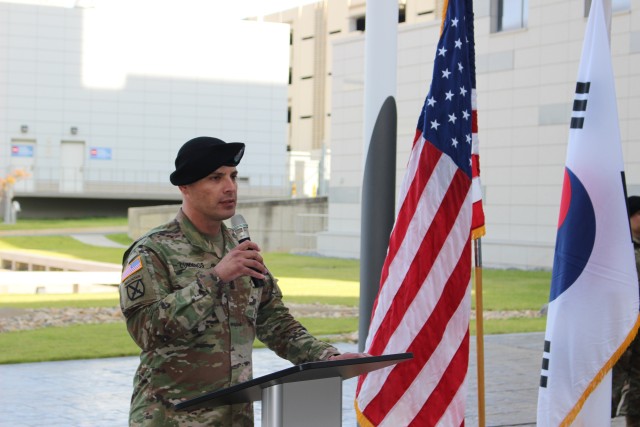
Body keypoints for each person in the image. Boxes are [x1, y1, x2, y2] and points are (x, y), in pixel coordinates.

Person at [119, 136, 366, 426]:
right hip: (171, 417)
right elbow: (145, 331)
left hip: (235, 416)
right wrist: (216, 278)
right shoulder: (152, 250)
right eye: (215, 178)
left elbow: (275, 323)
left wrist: (325, 357)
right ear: (185, 186)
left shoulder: (240, 249)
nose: (230, 187)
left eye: (233, 177)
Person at [612, 195, 640, 426]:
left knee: (638, 389)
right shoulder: (617, 248)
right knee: (611, 383)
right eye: (639, 214)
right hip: (618, 327)